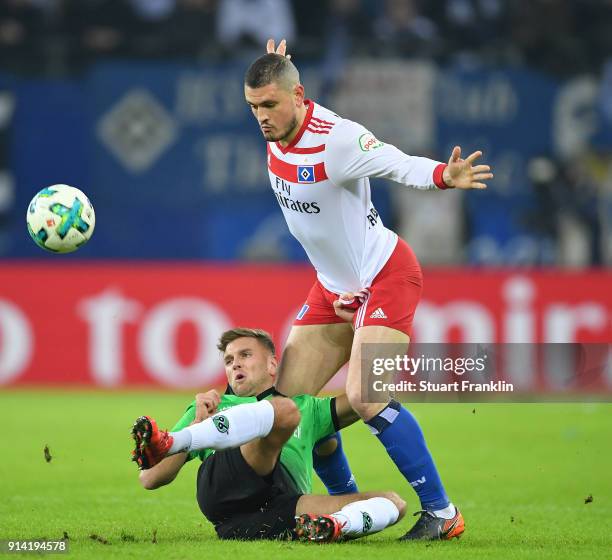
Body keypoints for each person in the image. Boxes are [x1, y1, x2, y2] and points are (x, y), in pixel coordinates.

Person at [243, 39, 494, 541]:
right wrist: (279, 64)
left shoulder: (337, 138)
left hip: (385, 276)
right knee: (292, 413)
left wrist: (444, 175)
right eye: (253, 107)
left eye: (270, 104)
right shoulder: (276, 130)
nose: (262, 117)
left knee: (365, 395)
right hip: (332, 290)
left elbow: (396, 163)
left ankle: (442, 513)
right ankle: (349, 507)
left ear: (299, 95)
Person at [131, 327, 407, 542]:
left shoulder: (307, 408)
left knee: (393, 503)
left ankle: (335, 526)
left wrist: (367, 326)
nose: (235, 364)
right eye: (229, 360)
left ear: (273, 365)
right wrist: (194, 426)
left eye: (245, 355)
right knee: (283, 411)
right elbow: (150, 477)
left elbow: (370, 393)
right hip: (226, 492)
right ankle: (175, 441)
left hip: (276, 510)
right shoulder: (212, 407)